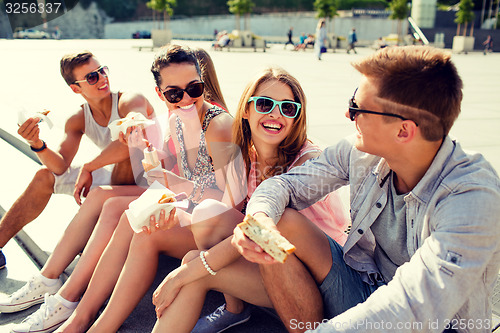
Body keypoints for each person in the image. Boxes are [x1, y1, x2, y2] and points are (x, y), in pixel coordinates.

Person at [232, 45, 500, 332]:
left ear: (403, 131)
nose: (348, 115)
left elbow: (414, 305)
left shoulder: (471, 197)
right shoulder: (357, 152)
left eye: (357, 108)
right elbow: (285, 185)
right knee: (276, 223)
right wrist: (259, 218)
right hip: (365, 284)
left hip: (433, 324)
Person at [141, 66, 349, 333]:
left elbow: (259, 234)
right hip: (272, 264)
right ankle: (235, 309)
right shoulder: (245, 156)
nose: (276, 114)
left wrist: (183, 274)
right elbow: (223, 215)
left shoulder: (307, 162)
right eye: (265, 103)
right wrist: (176, 213)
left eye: (288, 108)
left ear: (297, 117)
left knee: (192, 270)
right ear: (247, 110)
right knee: (206, 217)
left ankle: (236, 310)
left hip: (318, 281)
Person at [49, 44, 235, 333]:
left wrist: (170, 189)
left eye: (194, 88)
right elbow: (158, 181)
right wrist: (140, 150)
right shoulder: (176, 119)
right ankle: (78, 320)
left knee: (143, 231)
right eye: (174, 93)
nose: (185, 99)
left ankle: (91, 324)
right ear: (160, 94)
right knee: (133, 221)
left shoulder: (219, 124)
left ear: (203, 82)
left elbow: (228, 201)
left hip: (224, 227)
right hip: (197, 215)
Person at [0, 50, 154, 271]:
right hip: (116, 176)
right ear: (76, 88)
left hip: (150, 178)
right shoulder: (78, 118)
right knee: (44, 176)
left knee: (129, 153)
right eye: (92, 77)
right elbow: (60, 165)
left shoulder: (130, 100)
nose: (102, 79)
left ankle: (90, 234)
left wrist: (90, 167)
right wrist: (37, 143)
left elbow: (133, 139)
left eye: (102, 71)